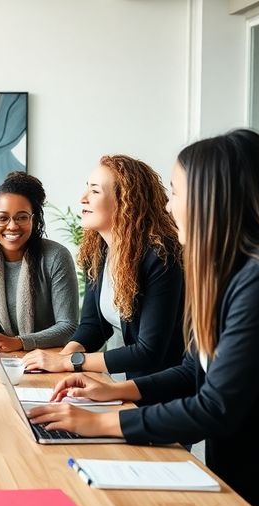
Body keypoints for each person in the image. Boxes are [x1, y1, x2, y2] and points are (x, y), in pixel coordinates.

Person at [28, 129, 259, 506]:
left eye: (176, 193)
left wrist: (99, 423)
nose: (168, 208)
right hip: (243, 470)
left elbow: (215, 406)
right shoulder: (234, 272)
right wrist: (112, 392)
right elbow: (193, 371)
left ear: (215, 199)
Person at [22, 155, 184, 379]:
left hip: (157, 393)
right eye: (86, 188)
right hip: (115, 384)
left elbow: (150, 352)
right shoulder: (99, 251)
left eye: (95, 191)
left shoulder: (161, 256)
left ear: (125, 201)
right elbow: (93, 326)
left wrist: (69, 362)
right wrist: (62, 358)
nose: (82, 198)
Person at [0, 172, 79, 353]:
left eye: (22, 217)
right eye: (2, 218)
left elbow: (68, 327)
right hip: (1, 357)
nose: (12, 226)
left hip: (50, 358)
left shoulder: (56, 256)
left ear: (33, 219)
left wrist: (20, 342)